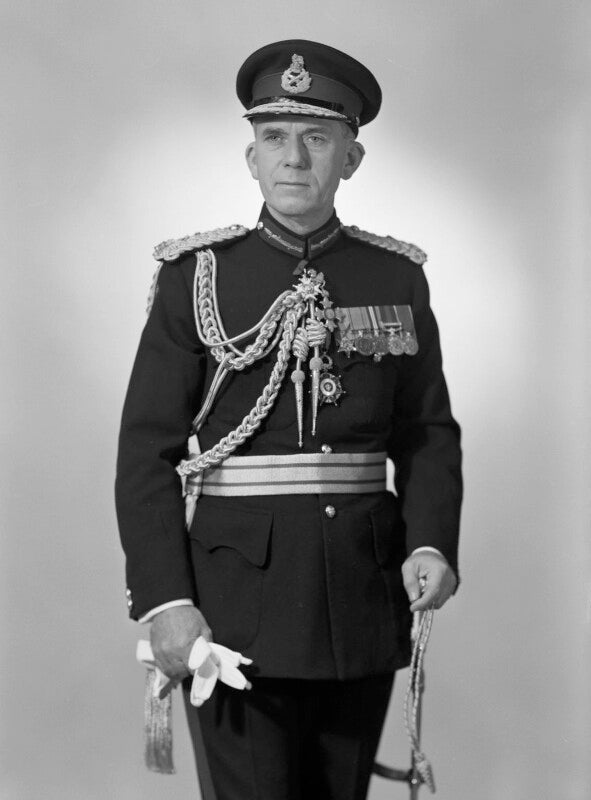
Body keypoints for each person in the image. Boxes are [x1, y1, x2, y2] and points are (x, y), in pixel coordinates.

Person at [116, 39, 462, 800]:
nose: (295, 159)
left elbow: (426, 432)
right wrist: (167, 601)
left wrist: (431, 541)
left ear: (352, 158)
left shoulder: (394, 276)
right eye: (274, 138)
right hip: (232, 609)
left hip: (361, 597)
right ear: (252, 159)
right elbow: (147, 453)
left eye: (317, 139)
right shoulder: (196, 277)